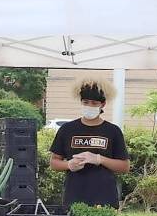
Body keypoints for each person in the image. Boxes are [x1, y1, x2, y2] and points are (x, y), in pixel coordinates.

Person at [50, 76, 130, 208]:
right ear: (81, 102)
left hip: (105, 198)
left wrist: (99, 159)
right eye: (86, 102)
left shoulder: (113, 131)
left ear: (102, 104)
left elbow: (124, 167)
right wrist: (69, 165)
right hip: (74, 196)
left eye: (94, 103)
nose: (89, 106)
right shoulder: (67, 129)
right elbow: (54, 162)